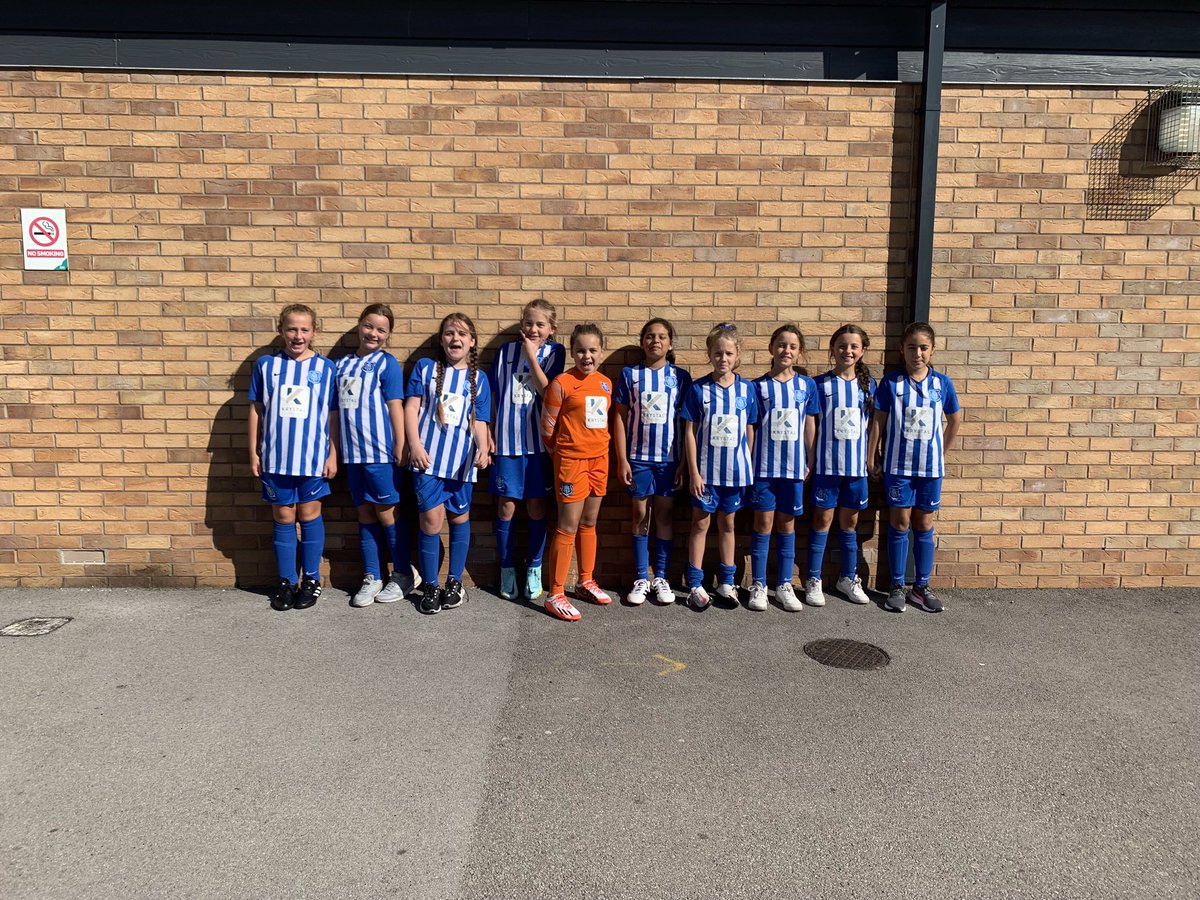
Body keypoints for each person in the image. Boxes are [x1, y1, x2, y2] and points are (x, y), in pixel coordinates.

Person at [247, 303, 338, 612]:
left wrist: (333, 453)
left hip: (312, 457)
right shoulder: (266, 365)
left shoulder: (326, 368)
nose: (298, 336)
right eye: (292, 329)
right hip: (276, 457)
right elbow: (256, 410)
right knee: (284, 517)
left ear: (314, 332)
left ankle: (311, 580)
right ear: (280, 330)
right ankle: (287, 581)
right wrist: (253, 452)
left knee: (310, 515)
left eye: (304, 330)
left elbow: (332, 414)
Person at [867, 322, 962, 613]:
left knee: (924, 524)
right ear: (902, 350)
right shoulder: (891, 383)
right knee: (899, 523)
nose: (917, 353)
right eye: (912, 347)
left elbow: (954, 420)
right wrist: (872, 456)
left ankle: (921, 587)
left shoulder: (942, 384)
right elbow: (878, 422)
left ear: (932, 350)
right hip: (898, 467)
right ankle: (897, 585)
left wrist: (940, 452)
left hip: (930, 470)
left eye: (923, 348)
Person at [405, 313, 491, 615]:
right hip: (427, 461)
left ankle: (454, 582)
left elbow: (479, 421)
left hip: (461, 464)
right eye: (450, 333)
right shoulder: (425, 368)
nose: (456, 339)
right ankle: (430, 585)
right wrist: (414, 444)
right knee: (430, 522)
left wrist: (483, 448)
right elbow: (411, 407)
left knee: (459, 519)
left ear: (472, 342)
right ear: (441, 340)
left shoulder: (479, 379)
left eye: (463, 334)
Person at [335, 304, 420, 608]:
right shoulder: (340, 365)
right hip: (353, 455)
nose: (373, 333)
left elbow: (396, 405)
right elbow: (334, 412)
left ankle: (403, 573)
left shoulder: (387, 364)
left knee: (387, 513)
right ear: (359, 325)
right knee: (364, 514)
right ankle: (372, 576)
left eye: (381, 329)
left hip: (381, 452)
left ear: (388, 335)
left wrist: (401, 443)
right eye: (369, 326)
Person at [488, 299, 566, 602]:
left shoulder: (555, 352)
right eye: (529, 323)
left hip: (538, 446)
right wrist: (490, 431)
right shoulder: (505, 351)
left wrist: (532, 355)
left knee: (536, 507)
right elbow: (494, 394)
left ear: (551, 329)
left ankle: (534, 568)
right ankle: (507, 568)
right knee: (506, 507)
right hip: (507, 444)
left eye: (540, 324)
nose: (533, 329)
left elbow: (548, 392)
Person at [680, 323, 759, 611]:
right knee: (700, 524)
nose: (722, 358)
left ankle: (727, 582)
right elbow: (690, 432)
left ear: (737, 355)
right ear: (709, 354)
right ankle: (695, 584)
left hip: (734, 474)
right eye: (717, 353)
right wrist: (694, 472)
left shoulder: (747, 389)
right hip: (706, 474)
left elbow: (750, 429)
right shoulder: (698, 388)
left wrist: (746, 464)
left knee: (728, 524)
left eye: (728, 353)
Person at [613, 318, 692, 606]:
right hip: (638, 460)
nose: (655, 341)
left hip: (669, 461)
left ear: (670, 343)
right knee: (640, 516)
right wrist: (622, 459)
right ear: (642, 341)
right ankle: (640, 578)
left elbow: (687, 424)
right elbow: (619, 417)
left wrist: (684, 463)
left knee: (665, 516)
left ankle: (661, 577)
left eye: (661, 336)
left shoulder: (681, 377)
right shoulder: (630, 374)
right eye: (649, 336)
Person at [540, 323, 614, 621]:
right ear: (573, 352)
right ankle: (555, 593)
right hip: (571, 462)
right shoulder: (562, 383)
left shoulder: (606, 384)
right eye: (581, 350)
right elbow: (547, 428)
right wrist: (563, 455)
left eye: (593, 350)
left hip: (600, 460)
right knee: (567, 525)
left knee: (589, 522)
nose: (587, 356)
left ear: (601, 352)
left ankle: (585, 581)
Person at [748, 324, 819, 612]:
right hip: (764, 469)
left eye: (792, 346)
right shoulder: (757, 387)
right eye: (780, 344)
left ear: (799, 352)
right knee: (763, 524)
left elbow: (809, 425)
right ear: (771, 348)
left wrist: (810, 459)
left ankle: (784, 584)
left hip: (793, 469)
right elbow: (751, 427)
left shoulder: (807, 386)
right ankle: (759, 584)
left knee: (787, 525)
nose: (786, 350)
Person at [809, 324, 876, 606]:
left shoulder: (870, 386)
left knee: (850, 524)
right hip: (827, 468)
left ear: (862, 351)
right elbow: (811, 426)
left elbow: (874, 427)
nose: (847, 351)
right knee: (822, 521)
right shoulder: (819, 384)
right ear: (833, 349)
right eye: (842, 346)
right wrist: (810, 459)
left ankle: (848, 578)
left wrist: (872, 458)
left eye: (853, 346)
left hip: (856, 470)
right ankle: (814, 579)